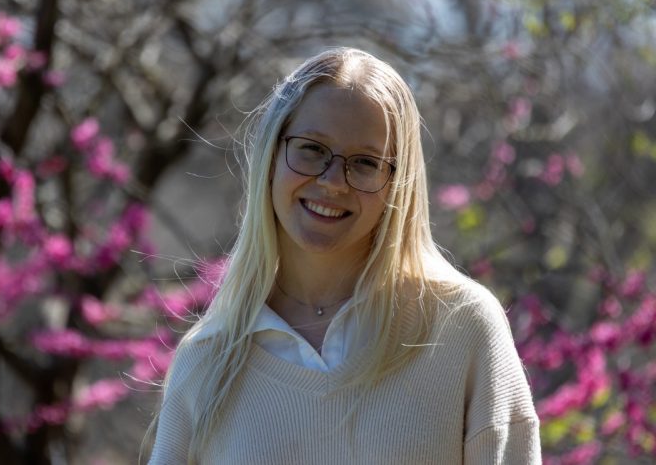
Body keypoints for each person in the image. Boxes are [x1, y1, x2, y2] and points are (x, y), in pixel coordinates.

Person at [145, 48, 541, 464]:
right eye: (312, 149)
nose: (333, 182)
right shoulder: (208, 363)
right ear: (272, 155)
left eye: (365, 163)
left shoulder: (462, 328)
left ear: (397, 184)